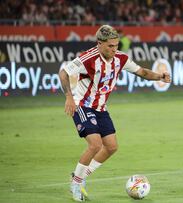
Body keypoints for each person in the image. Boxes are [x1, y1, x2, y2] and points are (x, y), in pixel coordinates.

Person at [59, 25, 171, 202]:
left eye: (116, 45)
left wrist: (160, 76)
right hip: (82, 104)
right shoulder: (88, 58)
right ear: (99, 44)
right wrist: (69, 98)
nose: (114, 49)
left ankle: (80, 175)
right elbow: (64, 73)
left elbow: (141, 72)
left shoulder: (121, 59)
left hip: (101, 107)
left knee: (111, 147)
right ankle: (76, 183)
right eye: (110, 46)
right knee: (95, 144)